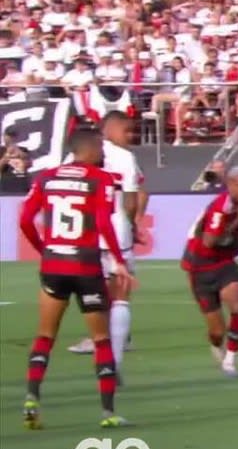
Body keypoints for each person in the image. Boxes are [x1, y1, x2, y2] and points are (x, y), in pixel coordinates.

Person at [18, 127, 136, 429]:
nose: (104, 153)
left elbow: (24, 219)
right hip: (85, 265)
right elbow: (102, 223)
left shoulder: (45, 176)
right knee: (101, 340)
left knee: (45, 335)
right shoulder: (101, 179)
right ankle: (108, 413)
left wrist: (43, 249)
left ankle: (32, 398)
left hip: (54, 264)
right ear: (92, 148)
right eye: (101, 147)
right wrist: (119, 261)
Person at [65, 112, 147, 372]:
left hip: (86, 231)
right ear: (109, 128)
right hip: (117, 229)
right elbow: (132, 199)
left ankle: (100, 341)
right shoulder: (125, 157)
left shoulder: (77, 155)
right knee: (120, 293)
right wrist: (132, 225)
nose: (131, 136)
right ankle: (117, 354)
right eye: (127, 131)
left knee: (95, 292)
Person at [181, 166, 238, 377]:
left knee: (237, 306)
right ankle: (216, 345)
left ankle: (230, 360)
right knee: (216, 331)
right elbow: (210, 241)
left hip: (223, 264)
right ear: (231, 185)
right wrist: (237, 223)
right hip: (199, 266)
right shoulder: (220, 207)